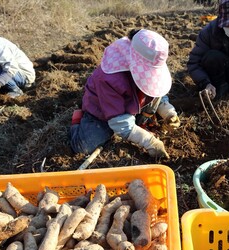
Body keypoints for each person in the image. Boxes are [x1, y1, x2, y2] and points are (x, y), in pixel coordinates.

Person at [69, 29, 180, 159]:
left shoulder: (150, 58)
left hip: (133, 103)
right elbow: (119, 122)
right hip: (103, 111)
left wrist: (167, 111)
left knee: (143, 116)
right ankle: (77, 123)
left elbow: (156, 90)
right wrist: (149, 142)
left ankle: (136, 125)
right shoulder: (109, 78)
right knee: (85, 147)